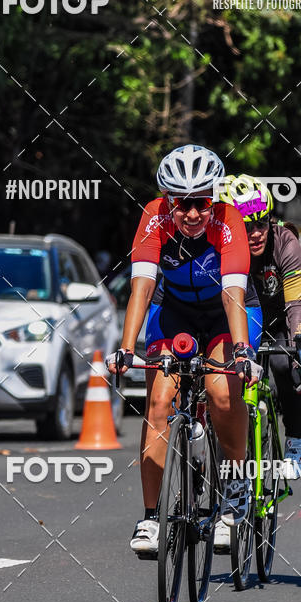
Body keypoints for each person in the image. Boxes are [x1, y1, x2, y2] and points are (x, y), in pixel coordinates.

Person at [106, 145, 263, 557]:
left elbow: (233, 295)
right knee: (158, 403)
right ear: (168, 200)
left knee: (222, 394)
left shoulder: (229, 222)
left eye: (201, 202)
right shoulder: (154, 216)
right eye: (183, 203)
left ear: (214, 198)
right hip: (171, 311)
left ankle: (233, 489)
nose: (192, 213)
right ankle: (151, 518)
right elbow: (141, 286)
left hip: (219, 314)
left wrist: (243, 351)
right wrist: (125, 348)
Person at [219, 174, 301, 478]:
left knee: (281, 361)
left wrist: (298, 348)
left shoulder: (285, 240)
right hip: (244, 320)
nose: (255, 233)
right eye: (246, 226)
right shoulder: (221, 246)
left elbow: (298, 302)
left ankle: (296, 440)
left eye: (262, 223)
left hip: (289, 319)